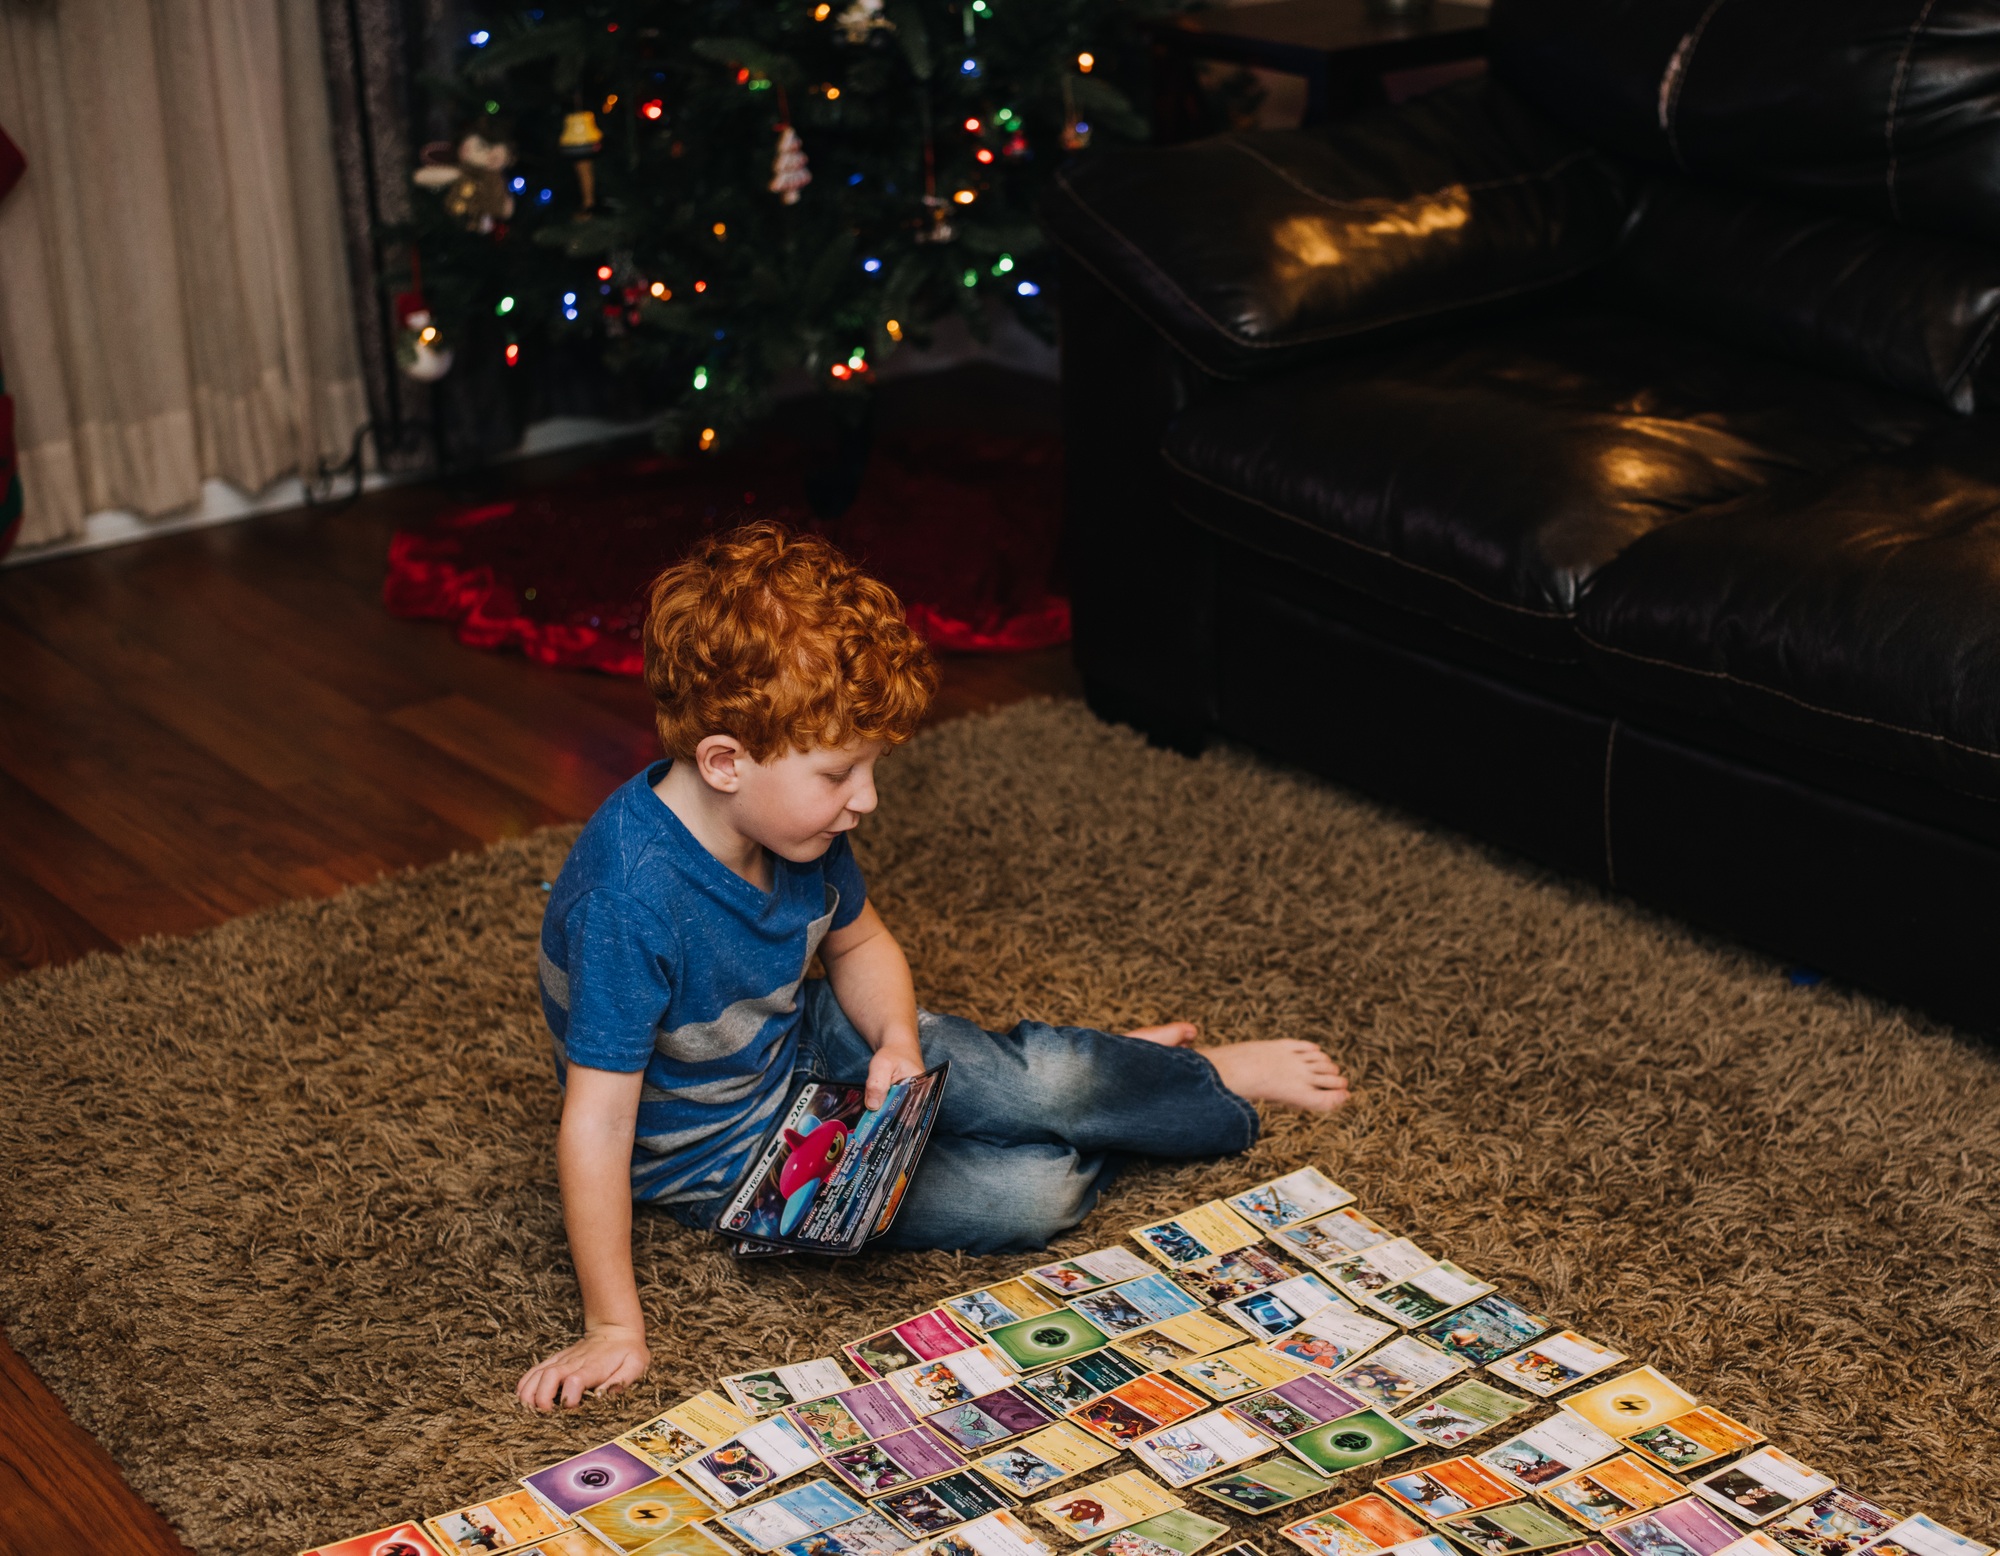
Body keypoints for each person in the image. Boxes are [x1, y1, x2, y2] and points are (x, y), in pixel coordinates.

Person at [516, 523, 1350, 1410]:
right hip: (726, 1157)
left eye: (869, 770)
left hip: (806, 1039)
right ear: (726, 761)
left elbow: (861, 944)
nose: (865, 801)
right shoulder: (628, 899)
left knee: (1032, 1081)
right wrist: (613, 1325)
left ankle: (1176, 1075)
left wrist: (897, 1043)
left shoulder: (797, 825)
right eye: (840, 773)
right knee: (1032, 1201)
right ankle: (1109, 1083)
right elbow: (597, 1125)